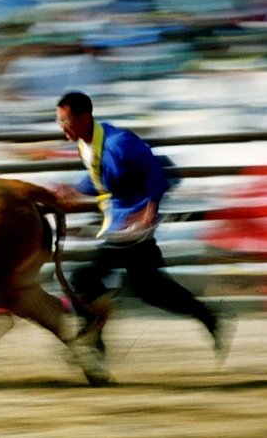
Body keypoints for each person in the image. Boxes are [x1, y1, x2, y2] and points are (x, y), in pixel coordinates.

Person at [53, 91, 232, 361]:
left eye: (65, 121)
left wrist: (149, 208)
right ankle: (210, 316)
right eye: (59, 121)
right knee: (149, 288)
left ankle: (95, 333)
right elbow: (100, 179)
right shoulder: (86, 145)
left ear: (85, 117)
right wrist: (73, 190)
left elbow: (161, 171)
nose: (62, 127)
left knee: (82, 277)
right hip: (122, 224)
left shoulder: (120, 142)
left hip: (133, 227)